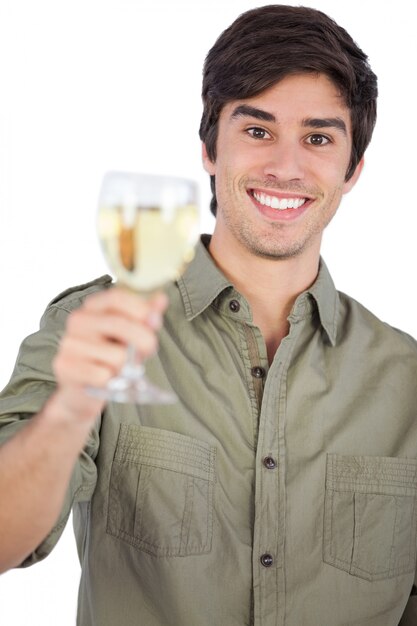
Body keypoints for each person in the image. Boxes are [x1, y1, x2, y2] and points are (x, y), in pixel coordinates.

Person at [0, 4, 416, 625]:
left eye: (319, 138)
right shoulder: (94, 327)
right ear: (208, 149)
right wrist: (69, 410)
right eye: (257, 130)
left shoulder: (406, 378)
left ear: (352, 170)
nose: (286, 166)